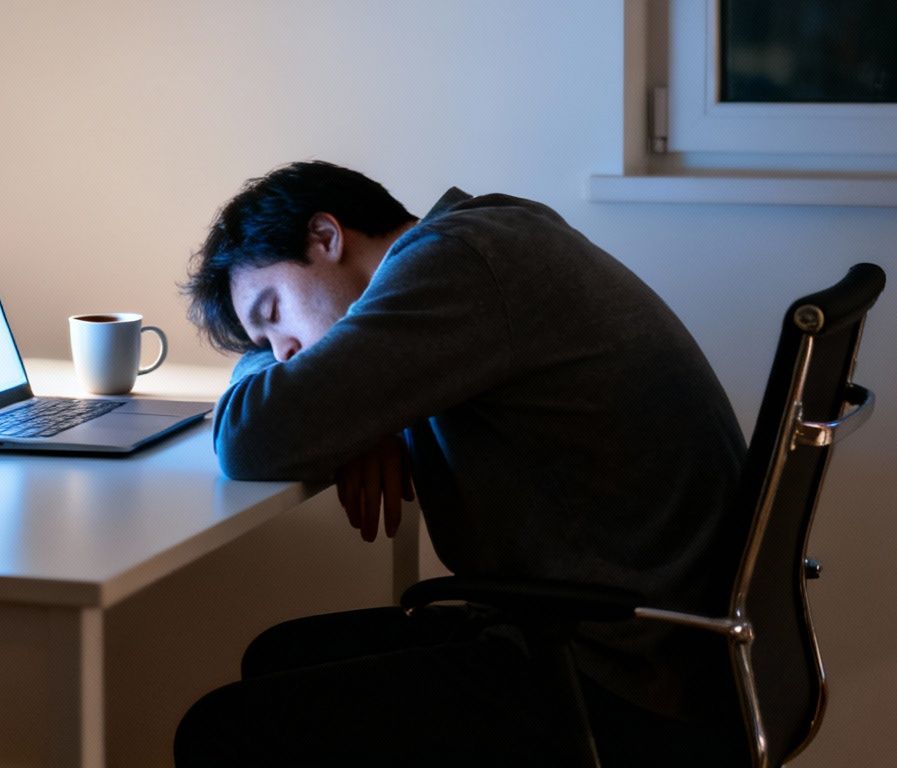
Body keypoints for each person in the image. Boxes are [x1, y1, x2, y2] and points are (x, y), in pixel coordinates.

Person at [172, 161, 751, 767]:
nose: (284, 350)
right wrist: (359, 406)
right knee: (277, 655)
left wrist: (296, 384)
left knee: (221, 731)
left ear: (326, 237)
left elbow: (249, 437)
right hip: (648, 643)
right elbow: (303, 404)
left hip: (620, 673)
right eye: (266, 346)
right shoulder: (485, 237)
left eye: (272, 315)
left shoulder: (459, 266)